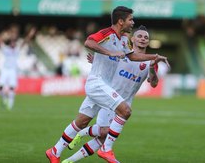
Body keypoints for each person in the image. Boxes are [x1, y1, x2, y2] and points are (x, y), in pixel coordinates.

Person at [46, 6, 169, 163]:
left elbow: (132, 57)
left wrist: (156, 56)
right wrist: (109, 53)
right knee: (125, 111)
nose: (133, 22)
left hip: (104, 86)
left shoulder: (124, 39)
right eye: (130, 19)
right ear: (120, 21)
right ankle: (106, 150)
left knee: (81, 121)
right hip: (97, 83)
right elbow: (88, 42)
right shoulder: (107, 34)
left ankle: (55, 151)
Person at [62, 25, 159, 162]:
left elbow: (154, 83)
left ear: (148, 42)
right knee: (105, 132)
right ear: (133, 39)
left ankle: (69, 160)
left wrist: (152, 69)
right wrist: (97, 62)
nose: (143, 39)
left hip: (126, 103)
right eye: (140, 36)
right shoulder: (124, 53)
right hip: (111, 99)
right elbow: (109, 64)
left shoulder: (151, 61)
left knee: (103, 139)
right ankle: (82, 133)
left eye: (146, 38)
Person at [0, 26, 36, 110]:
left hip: (13, 70)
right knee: (0, 87)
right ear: (10, 43)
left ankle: (10, 105)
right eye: (12, 42)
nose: (13, 44)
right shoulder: (6, 49)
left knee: (11, 87)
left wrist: (30, 34)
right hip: (5, 69)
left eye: (14, 42)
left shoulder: (17, 50)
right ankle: (4, 100)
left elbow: (25, 42)